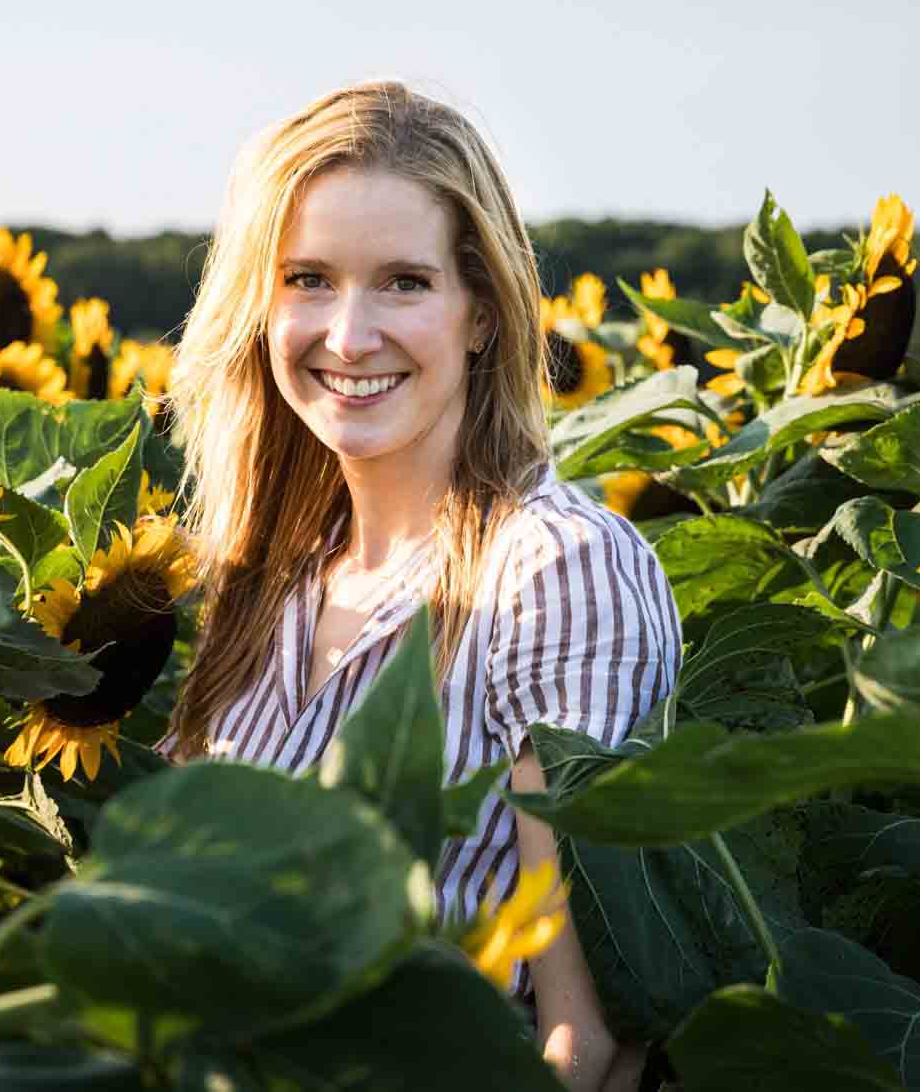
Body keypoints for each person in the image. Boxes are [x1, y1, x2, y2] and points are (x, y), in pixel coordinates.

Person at [163, 81, 680, 1091]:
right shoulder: (262, 586)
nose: (348, 336)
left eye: (402, 282)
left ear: (481, 311)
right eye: (306, 279)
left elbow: (593, 1041)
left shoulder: (553, 568)